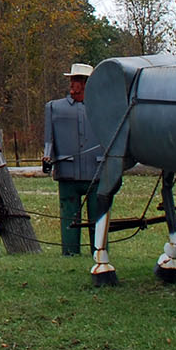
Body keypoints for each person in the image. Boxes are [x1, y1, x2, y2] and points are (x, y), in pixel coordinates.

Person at [43, 63, 102, 256]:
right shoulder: (54, 108)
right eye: (72, 79)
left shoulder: (104, 108)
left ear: (87, 83)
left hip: (96, 171)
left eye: (77, 80)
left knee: (98, 217)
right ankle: (70, 251)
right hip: (67, 170)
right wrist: (47, 156)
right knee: (68, 217)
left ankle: (99, 250)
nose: (73, 84)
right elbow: (49, 139)